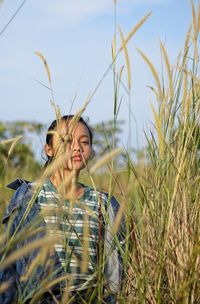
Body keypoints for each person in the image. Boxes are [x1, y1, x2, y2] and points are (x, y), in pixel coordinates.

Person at [0, 115, 124, 303]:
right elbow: (9, 262)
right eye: (66, 140)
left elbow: (114, 270)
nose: (77, 147)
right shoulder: (29, 196)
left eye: (85, 142)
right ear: (48, 149)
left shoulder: (102, 203)